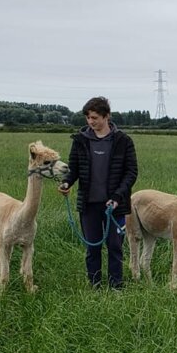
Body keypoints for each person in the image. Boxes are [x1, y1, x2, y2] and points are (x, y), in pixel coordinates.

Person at [58, 96, 138, 289]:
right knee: (92, 247)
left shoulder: (123, 141)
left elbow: (131, 172)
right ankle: (94, 286)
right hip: (89, 205)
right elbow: (74, 169)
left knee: (115, 247)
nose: (91, 121)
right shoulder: (80, 140)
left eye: (94, 117)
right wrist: (67, 182)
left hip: (115, 206)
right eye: (88, 118)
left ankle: (116, 287)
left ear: (106, 116)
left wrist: (118, 197)